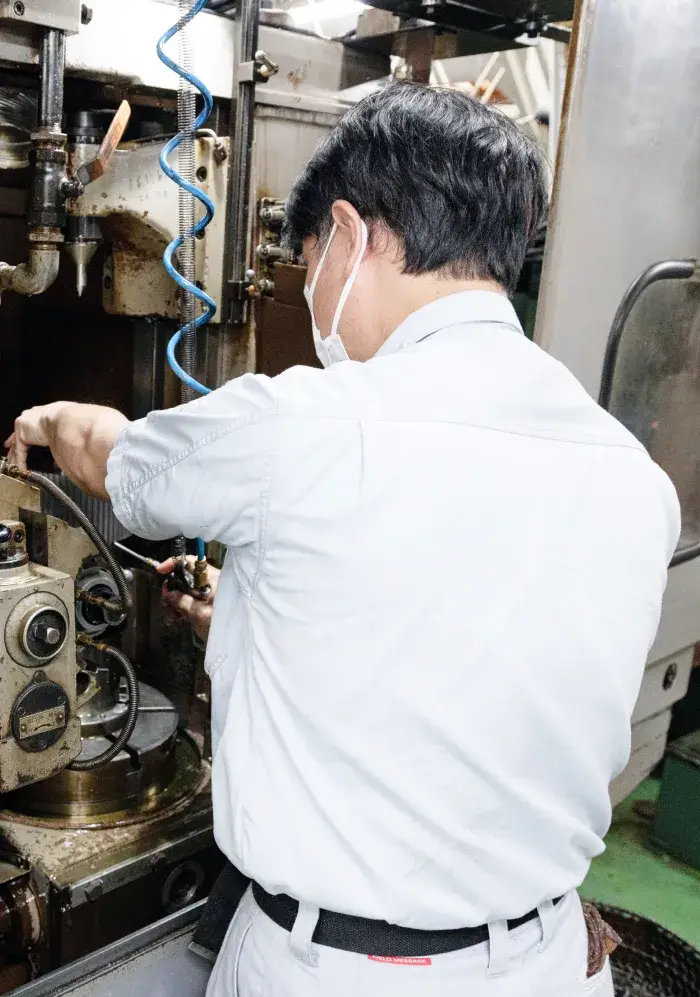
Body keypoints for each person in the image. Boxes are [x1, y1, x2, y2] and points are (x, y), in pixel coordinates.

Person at [6, 83, 679, 997]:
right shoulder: (631, 473)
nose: (312, 290)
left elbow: (113, 457)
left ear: (354, 235)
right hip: (549, 957)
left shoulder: (305, 423)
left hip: (342, 970)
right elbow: (472, 645)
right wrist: (248, 618)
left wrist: (46, 418)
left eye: (310, 260)